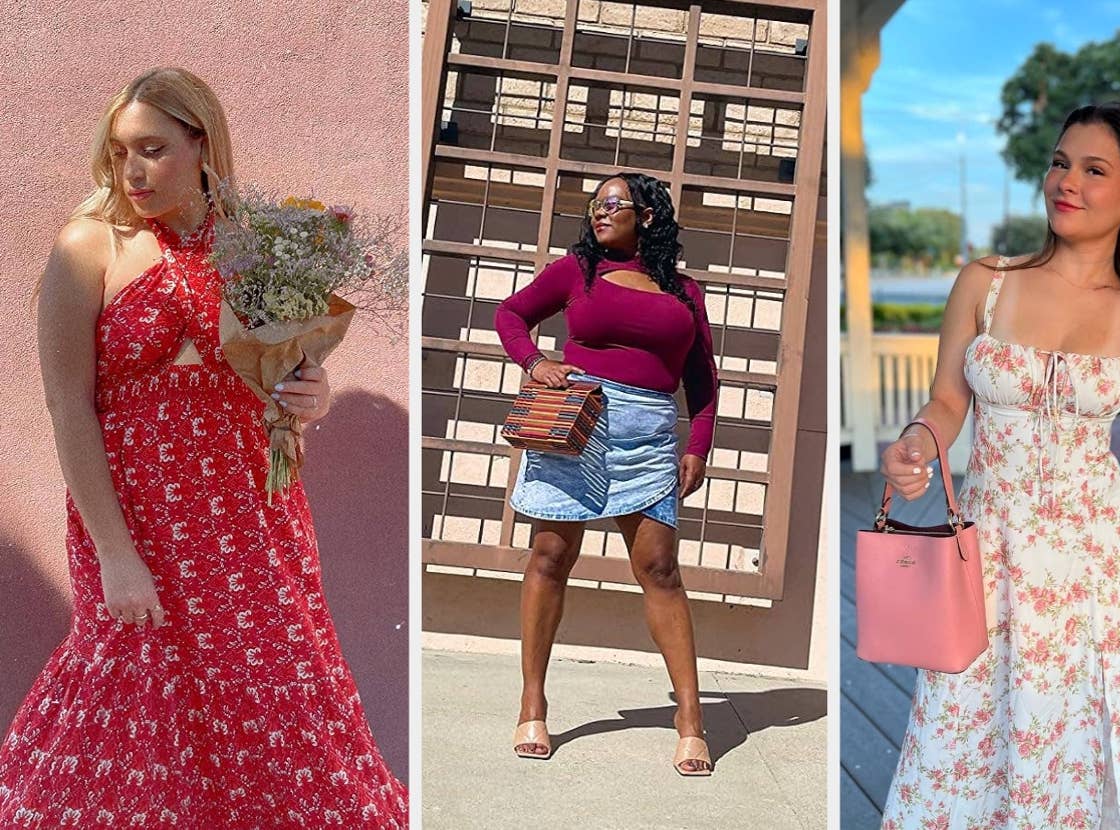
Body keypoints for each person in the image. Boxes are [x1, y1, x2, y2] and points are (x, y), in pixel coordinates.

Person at [0, 67, 407, 826]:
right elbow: (68, 408)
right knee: (131, 691)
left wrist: (307, 400)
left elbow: (278, 380)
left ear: (202, 143)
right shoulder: (90, 244)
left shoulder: (256, 248)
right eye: (121, 153)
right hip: (137, 519)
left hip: (250, 515)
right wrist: (114, 552)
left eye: (152, 149)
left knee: (272, 693)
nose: (133, 172)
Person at [877, 102, 1120, 829]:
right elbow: (948, 400)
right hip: (988, 549)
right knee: (964, 728)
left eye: (1094, 170)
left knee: (1071, 735)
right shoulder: (987, 280)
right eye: (1058, 162)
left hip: (1094, 564)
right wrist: (917, 442)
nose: (1065, 181)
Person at [494, 171, 720, 776]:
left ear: (647, 215)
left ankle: (691, 719)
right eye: (595, 204)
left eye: (614, 203)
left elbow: (703, 384)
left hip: (648, 435)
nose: (600, 212)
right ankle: (533, 702)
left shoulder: (686, 293)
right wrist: (536, 362)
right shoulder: (576, 270)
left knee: (660, 569)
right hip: (577, 421)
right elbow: (511, 315)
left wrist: (697, 446)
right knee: (548, 556)